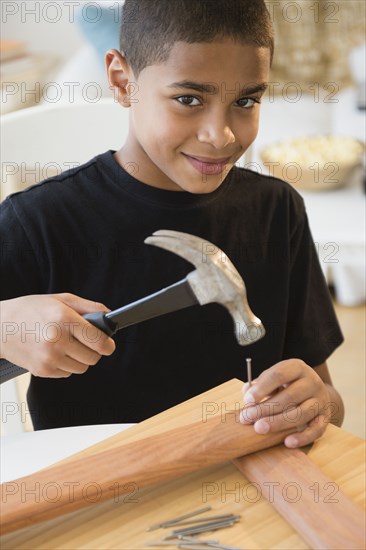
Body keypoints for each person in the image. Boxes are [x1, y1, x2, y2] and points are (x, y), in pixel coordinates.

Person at [0, 0, 344, 447]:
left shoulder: (277, 211)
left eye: (245, 100)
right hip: (97, 493)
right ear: (123, 82)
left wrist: (317, 405)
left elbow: (328, 402)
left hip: (249, 484)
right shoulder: (38, 223)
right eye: (188, 99)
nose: (220, 135)